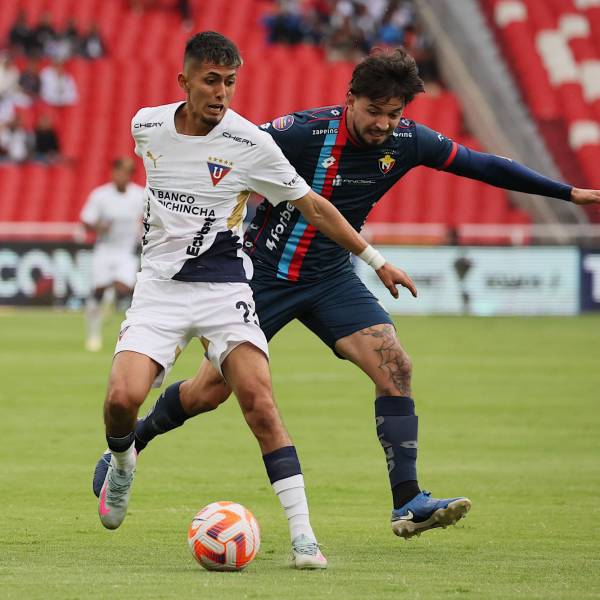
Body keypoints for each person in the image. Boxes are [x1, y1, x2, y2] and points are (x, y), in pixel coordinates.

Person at [93, 45, 600, 542]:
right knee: (210, 392)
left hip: (331, 276)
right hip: (262, 275)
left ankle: (408, 501)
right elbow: (227, 150)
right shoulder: (302, 131)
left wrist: (567, 192)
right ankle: (135, 440)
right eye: (374, 111)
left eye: (394, 114)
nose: (383, 124)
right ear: (350, 98)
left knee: (395, 367)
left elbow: (480, 164)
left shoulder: (408, 141)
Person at [91, 32, 416, 570]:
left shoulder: (250, 143)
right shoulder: (146, 126)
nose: (221, 92)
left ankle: (304, 538)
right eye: (211, 81)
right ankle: (123, 464)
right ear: (184, 82)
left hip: (225, 291)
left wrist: (375, 259)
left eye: (230, 82)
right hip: (160, 291)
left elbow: (314, 206)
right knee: (122, 399)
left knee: (259, 403)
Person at [80, 158, 145, 352]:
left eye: (126, 172)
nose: (122, 176)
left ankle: (119, 312)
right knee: (98, 290)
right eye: (119, 171)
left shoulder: (139, 195)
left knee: (124, 287)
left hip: (126, 251)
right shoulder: (100, 195)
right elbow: (86, 221)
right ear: (113, 172)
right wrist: (99, 226)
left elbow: (150, 217)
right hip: (105, 250)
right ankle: (93, 334)